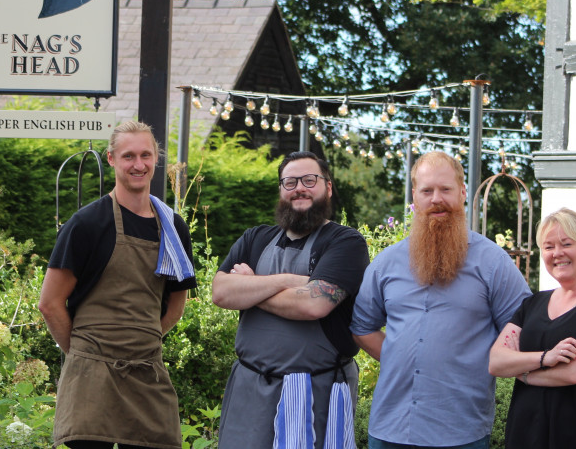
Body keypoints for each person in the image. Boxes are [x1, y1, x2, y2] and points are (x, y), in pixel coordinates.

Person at [351, 151, 531, 449]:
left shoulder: (494, 263)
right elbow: (362, 327)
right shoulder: (386, 264)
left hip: (461, 431)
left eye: (445, 189)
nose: (436, 199)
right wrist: (404, 358)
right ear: (415, 196)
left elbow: (522, 326)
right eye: (427, 191)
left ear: (462, 193)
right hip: (390, 428)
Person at [38, 120, 196, 449]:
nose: (138, 165)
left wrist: (141, 340)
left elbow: (178, 303)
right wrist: (85, 353)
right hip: (91, 379)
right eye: (128, 156)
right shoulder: (87, 224)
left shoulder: (173, 227)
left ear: (156, 159)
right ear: (111, 159)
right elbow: (50, 303)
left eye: (145, 155)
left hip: (147, 374)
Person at [212, 151, 370, 449]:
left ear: (328, 187)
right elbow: (220, 292)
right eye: (290, 181)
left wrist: (249, 288)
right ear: (281, 190)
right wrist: (286, 281)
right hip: (250, 390)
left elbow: (313, 304)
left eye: (310, 180)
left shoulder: (345, 243)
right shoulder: (255, 238)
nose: (300, 187)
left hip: (315, 394)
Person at [488, 208, 576, 449]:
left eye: (566, 244)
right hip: (526, 435)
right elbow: (496, 362)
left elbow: (574, 372)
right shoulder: (533, 304)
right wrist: (546, 357)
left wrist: (521, 371)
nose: (557, 253)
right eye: (548, 247)